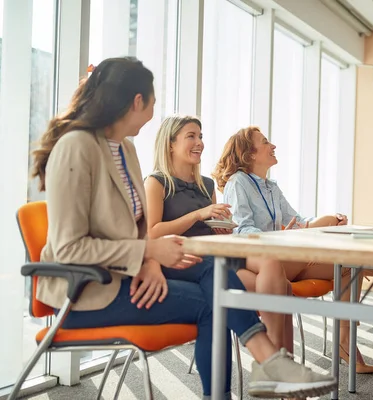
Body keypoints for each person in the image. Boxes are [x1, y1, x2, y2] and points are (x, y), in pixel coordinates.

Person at [31, 57, 337, 400]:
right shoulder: (76, 147)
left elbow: (134, 229)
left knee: (213, 279)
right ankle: (268, 362)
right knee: (214, 301)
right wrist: (148, 253)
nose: (152, 114)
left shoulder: (125, 149)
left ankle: (268, 365)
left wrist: (148, 263)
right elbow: (71, 249)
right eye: (152, 103)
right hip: (87, 293)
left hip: (128, 276)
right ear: (137, 101)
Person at [213, 126, 373, 374]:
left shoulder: (271, 186)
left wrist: (329, 219)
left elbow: (298, 221)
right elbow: (240, 232)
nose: (273, 146)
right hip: (262, 261)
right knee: (350, 262)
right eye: (266, 142)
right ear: (249, 154)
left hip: (288, 256)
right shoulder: (238, 183)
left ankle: (344, 342)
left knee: (350, 268)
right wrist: (282, 236)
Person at [144, 114, 295, 358]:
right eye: (191, 136)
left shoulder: (206, 184)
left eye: (201, 136)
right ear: (170, 144)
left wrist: (222, 227)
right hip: (192, 264)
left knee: (271, 261)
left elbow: (213, 227)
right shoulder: (157, 182)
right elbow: (152, 232)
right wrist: (197, 215)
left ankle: (278, 363)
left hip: (220, 255)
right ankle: (276, 361)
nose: (199, 142)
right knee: (283, 288)